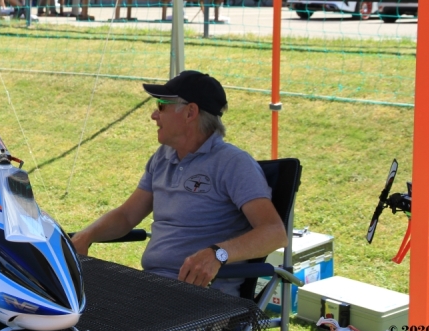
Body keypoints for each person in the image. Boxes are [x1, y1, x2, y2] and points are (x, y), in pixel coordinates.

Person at [71, 70, 287, 298]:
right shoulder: (163, 157)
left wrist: (217, 254)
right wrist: (86, 235)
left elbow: (274, 232)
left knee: (85, 307)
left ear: (190, 112)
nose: (154, 115)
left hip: (203, 296)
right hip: (155, 286)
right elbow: (126, 216)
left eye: (162, 106)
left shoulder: (233, 163)